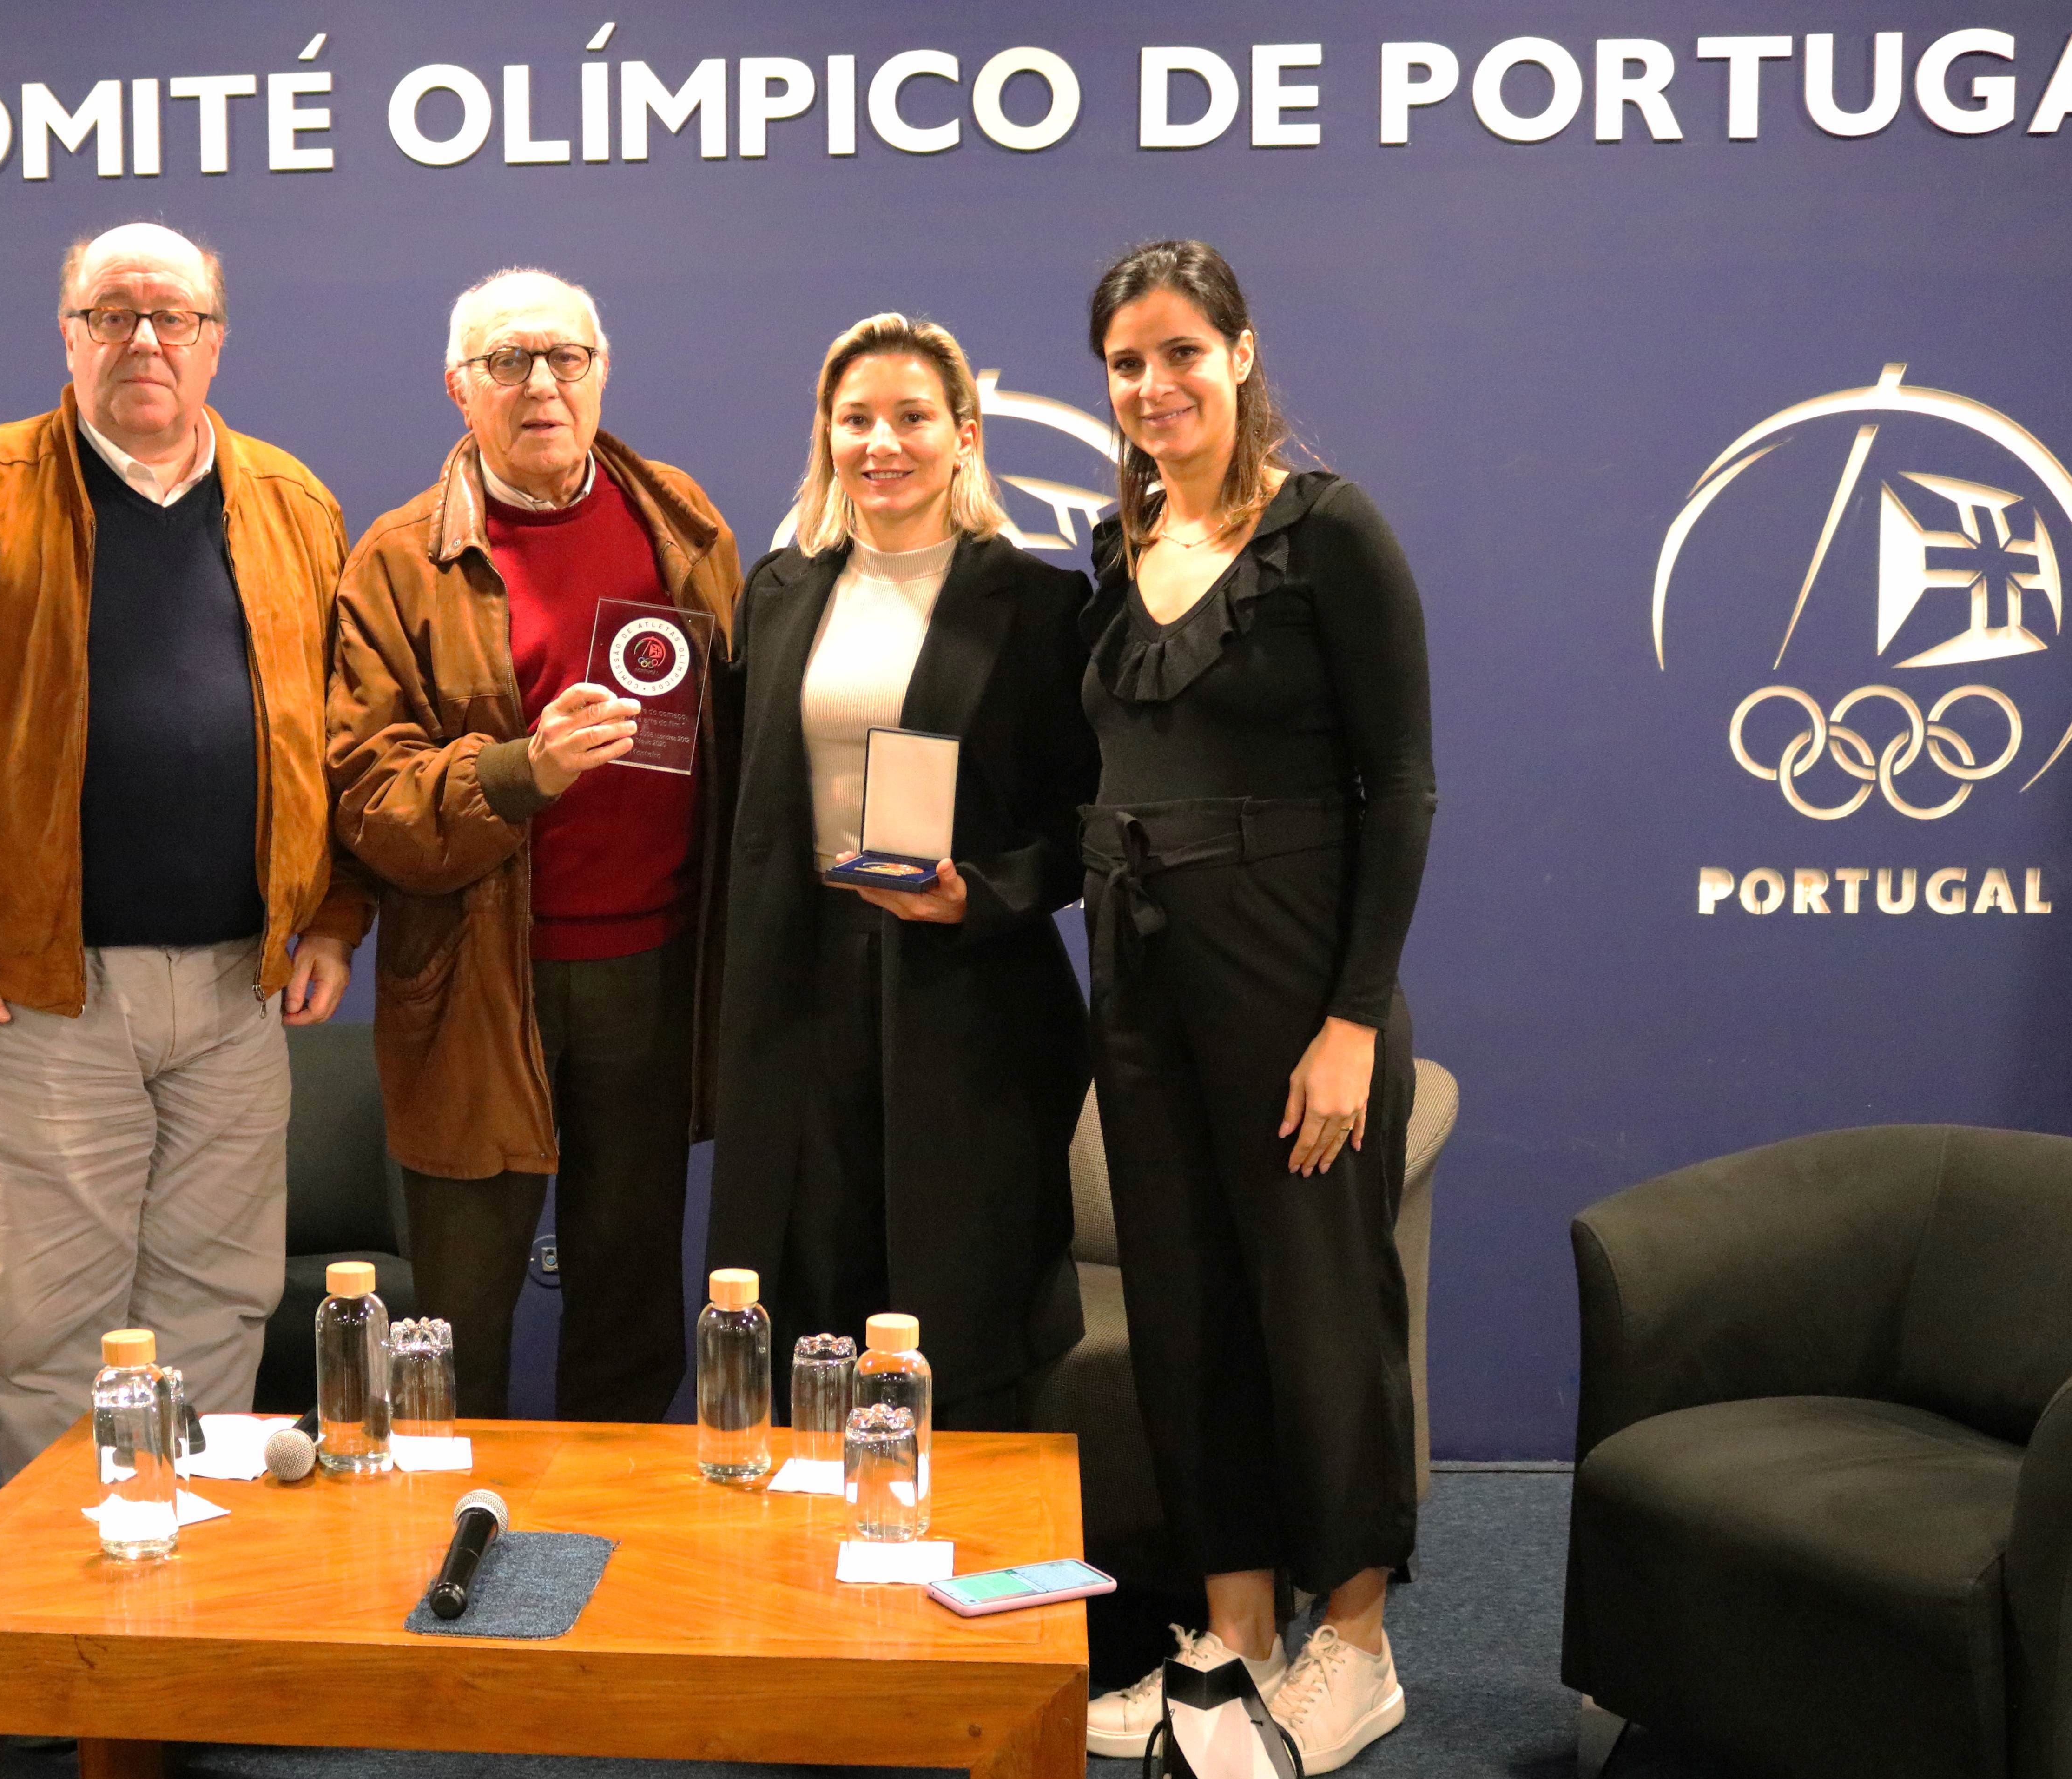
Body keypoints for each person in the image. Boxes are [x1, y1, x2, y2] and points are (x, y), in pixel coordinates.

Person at [0, 222, 363, 1478]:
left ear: (215, 340)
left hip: (243, 985)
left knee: (219, 1300)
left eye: (173, 316)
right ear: (68, 336)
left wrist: (337, 918)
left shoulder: (294, 505)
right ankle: (68, 1572)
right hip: (49, 988)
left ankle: (190, 1552)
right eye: (111, 314)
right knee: (56, 1322)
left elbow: (344, 740)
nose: (145, 340)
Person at [1073, 239, 1436, 1772]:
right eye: (1126, 363)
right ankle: (1234, 1627)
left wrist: (1352, 1020)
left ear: (1237, 352)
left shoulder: (1327, 531)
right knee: (1184, 1307)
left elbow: (1400, 787)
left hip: (1295, 989)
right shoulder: (1113, 545)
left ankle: (1355, 1640)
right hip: (1140, 984)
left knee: (1317, 1310)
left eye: (1180, 353)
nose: (1155, 386)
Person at [328, 268, 740, 1423]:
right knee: (455, 1317)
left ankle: (607, 1525)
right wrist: (525, 772)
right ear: (459, 389)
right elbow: (368, 797)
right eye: (507, 362)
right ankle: (449, 1520)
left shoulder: (683, 519)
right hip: (478, 981)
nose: (541, 385)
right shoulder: (398, 560)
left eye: (566, 358)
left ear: (602, 375)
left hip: (654, 971)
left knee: (632, 1296)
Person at [705, 313, 1098, 1431]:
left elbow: (1088, 823)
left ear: (966, 434)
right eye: (856, 419)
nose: (882, 443)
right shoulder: (780, 591)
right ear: (827, 437)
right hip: (798, 987)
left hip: (963, 996)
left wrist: (985, 892)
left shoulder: (1040, 606)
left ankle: (967, 1528)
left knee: (960, 1301)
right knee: (806, 1284)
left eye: (913, 417)